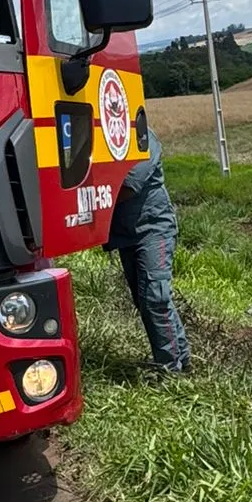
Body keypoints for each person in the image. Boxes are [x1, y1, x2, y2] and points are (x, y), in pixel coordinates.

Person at [104, 124, 191, 373]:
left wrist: (91, 201)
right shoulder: (103, 136)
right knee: (145, 301)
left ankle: (170, 369)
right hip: (126, 234)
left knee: (155, 298)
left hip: (153, 229)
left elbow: (129, 184)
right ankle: (182, 359)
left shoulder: (143, 137)